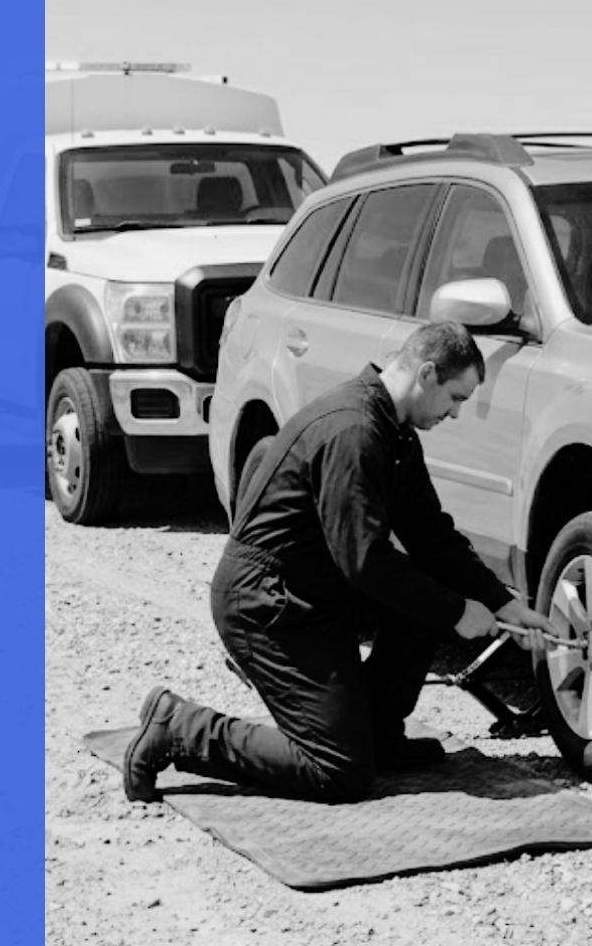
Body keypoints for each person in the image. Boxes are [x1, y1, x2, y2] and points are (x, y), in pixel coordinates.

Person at [123, 321, 557, 804]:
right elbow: (366, 562)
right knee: (335, 770)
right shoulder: (354, 431)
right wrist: (459, 611)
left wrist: (502, 603)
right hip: (266, 605)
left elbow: (432, 538)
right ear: (428, 374)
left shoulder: (393, 433)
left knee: (423, 596)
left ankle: (377, 736)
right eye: (455, 397)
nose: (455, 414)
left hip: (312, 593)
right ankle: (181, 726)